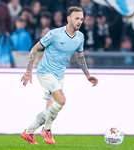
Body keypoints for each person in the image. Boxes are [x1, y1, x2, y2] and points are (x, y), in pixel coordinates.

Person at [21, 6, 98, 145]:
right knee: (61, 100)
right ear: (68, 19)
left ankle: (28, 132)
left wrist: (88, 75)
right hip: (45, 71)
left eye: (81, 19)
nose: (79, 21)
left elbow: (80, 57)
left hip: (59, 75)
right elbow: (35, 49)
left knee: (49, 110)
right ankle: (47, 130)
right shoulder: (54, 34)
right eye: (76, 19)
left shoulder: (80, 37)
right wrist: (28, 71)